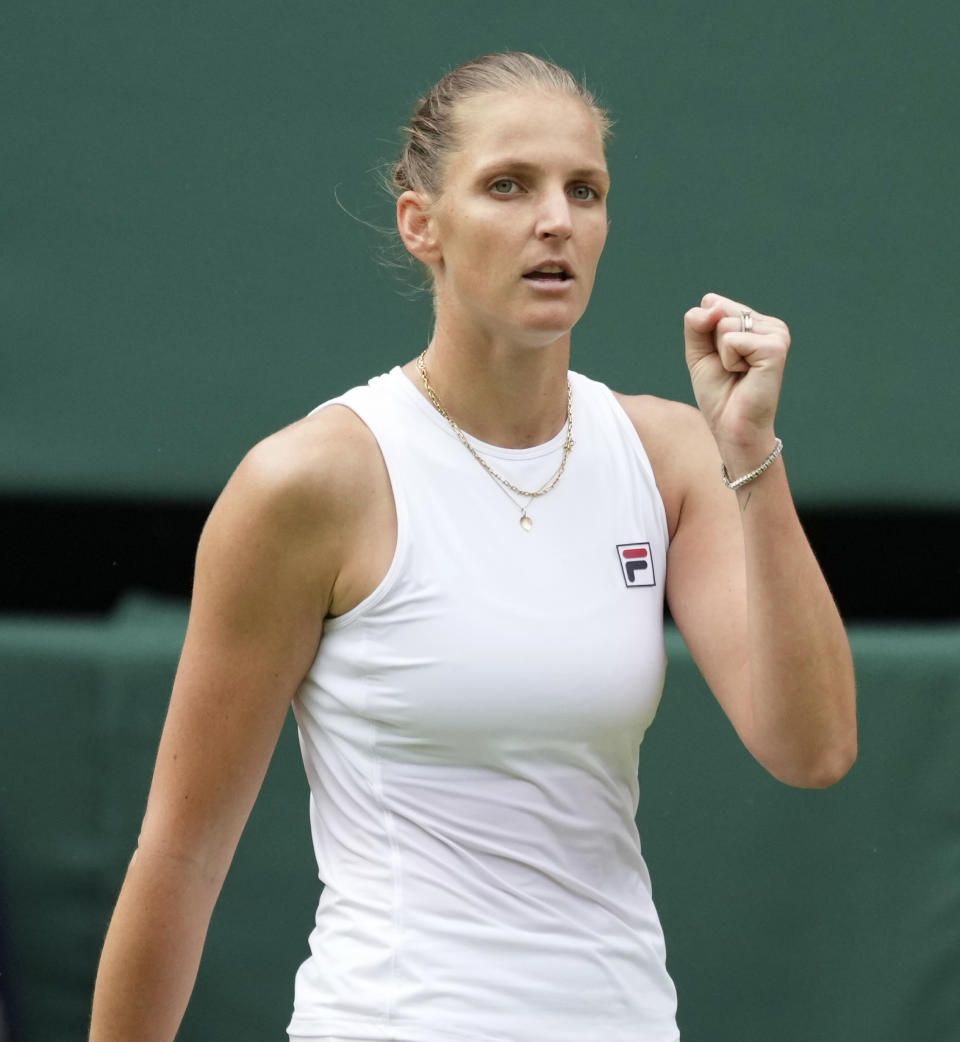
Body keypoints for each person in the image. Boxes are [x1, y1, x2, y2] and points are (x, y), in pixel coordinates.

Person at [89, 52, 857, 1042]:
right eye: (509, 185)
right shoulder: (308, 483)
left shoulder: (672, 455)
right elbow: (181, 857)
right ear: (423, 225)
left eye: (586, 190)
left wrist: (751, 453)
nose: (557, 220)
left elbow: (815, 748)